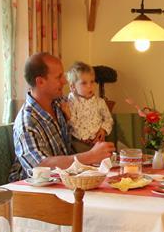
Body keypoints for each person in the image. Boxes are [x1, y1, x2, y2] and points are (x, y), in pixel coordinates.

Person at [10, 53, 114, 181]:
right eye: (59, 77)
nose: (64, 81)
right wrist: (90, 155)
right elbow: (39, 165)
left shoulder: (61, 103)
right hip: (34, 188)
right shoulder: (27, 123)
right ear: (40, 82)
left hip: (66, 180)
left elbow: (89, 107)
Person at [64, 61, 113, 152]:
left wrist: (103, 130)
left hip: (98, 141)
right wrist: (85, 137)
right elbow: (72, 123)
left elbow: (108, 119)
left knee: (107, 154)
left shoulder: (100, 102)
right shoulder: (71, 102)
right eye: (84, 83)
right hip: (79, 142)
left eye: (92, 82)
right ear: (73, 87)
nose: (90, 86)